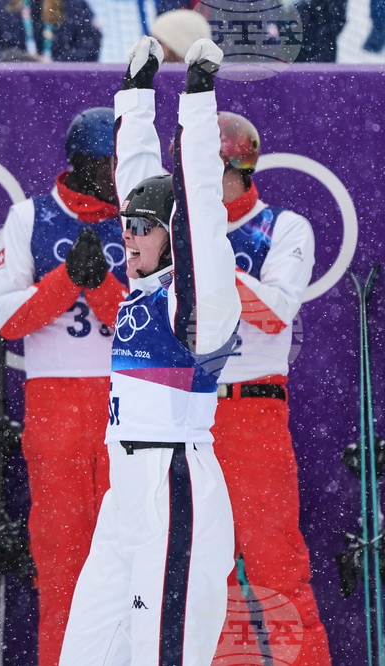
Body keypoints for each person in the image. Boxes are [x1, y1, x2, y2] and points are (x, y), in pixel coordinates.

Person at [59, 35, 242, 665]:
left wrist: (195, 101)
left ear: (172, 240)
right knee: (84, 651)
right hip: (126, 492)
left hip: (175, 483)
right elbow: (142, 183)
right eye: (124, 225)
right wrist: (135, 97)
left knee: (161, 654)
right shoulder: (143, 285)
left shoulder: (199, 301)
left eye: (141, 230)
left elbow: (196, 205)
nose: (127, 236)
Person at [0, 107, 127, 666]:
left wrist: (102, 288)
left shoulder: (142, 215)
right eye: (111, 164)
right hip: (56, 405)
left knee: (129, 558)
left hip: (126, 398)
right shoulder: (31, 215)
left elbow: (156, 323)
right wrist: (68, 278)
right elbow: (5, 319)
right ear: (88, 163)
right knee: (62, 560)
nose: (120, 175)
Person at [208, 112, 329, 665]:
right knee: (201, 572)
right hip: (182, 411)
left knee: (274, 565)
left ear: (233, 167)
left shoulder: (282, 226)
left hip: (250, 412)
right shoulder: (171, 229)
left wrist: (209, 254)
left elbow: (275, 312)